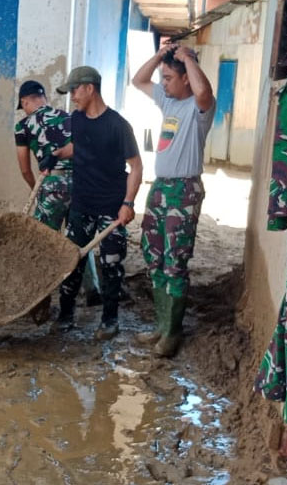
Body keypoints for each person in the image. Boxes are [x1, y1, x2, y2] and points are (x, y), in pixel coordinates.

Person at [131, 43, 215, 357]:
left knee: (175, 261)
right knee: (154, 257)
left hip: (184, 191)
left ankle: (172, 333)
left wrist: (189, 59)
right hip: (161, 189)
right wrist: (159, 55)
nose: (162, 83)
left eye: (168, 78)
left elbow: (204, 91)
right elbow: (138, 80)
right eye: (163, 78)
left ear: (185, 80)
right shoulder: (168, 102)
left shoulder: (198, 107)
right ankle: (160, 325)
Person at [53, 66, 142, 339]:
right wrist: (56, 155)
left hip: (111, 208)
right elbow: (80, 146)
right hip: (81, 205)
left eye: (74, 91)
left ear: (89, 88)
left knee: (111, 264)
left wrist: (128, 203)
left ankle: (110, 320)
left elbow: (136, 167)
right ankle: (65, 315)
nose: (72, 97)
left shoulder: (118, 125)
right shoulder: (76, 120)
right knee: (71, 261)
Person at [14, 80, 72, 229]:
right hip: (82, 183)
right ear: (44, 98)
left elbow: (25, 170)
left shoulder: (22, 126)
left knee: (44, 240)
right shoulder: (69, 116)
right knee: (78, 240)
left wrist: (36, 188)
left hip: (52, 184)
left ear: (24, 102)